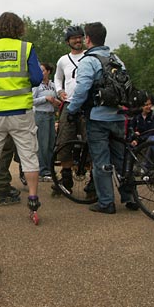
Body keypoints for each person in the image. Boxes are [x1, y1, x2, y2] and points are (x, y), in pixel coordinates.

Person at [0, 12, 43, 222]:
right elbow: (38, 78)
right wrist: (20, 84)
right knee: (29, 155)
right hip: (21, 111)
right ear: (19, 28)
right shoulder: (25, 48)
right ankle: (32, 200)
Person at [66, 22, 138, 214]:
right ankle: (130, 196)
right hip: (117, 116)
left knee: (101, 161)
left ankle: (106, 203)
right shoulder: (116, 59)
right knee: (121, 158)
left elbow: (81, 91)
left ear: (87, 39)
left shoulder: (88, 61)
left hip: (97, 117)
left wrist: (72, 110)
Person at [53, 25, 93, 195]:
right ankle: (66, 178)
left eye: (80, 37)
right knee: (64, 141)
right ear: (68, 41)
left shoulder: (91, 56)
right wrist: (59, 91)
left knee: (90, 141)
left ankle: (93, 181)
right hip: (69, 104)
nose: (78, 40)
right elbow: (57, 77)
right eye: (74, 38)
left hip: (87, 105)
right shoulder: (63, 60)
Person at [32, 62, 61, 181]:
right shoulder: (36, 85)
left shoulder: (53, 85)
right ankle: (42, 171)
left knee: (50, 144)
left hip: (51, 115)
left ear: (48, 72)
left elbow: (56, 99)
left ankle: (50, 168)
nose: (41, 73)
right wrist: (45, 98)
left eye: (43, 70)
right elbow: (31, 100)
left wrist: (57, 102)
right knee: (42, 144)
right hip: (41, 115)